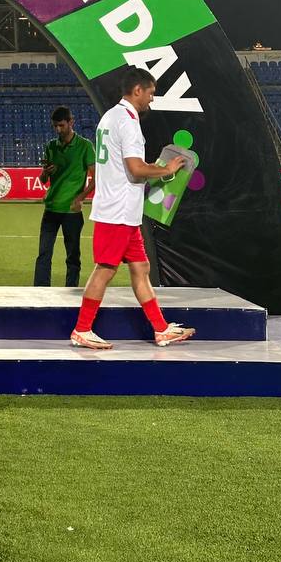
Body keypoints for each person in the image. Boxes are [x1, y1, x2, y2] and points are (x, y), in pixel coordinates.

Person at [71, 66, 195, 350]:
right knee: (105, 270)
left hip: (123, 210)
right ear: (137, 90)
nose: (152, 98)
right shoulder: (127, 122)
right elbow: (136, 169)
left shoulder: (110, 117)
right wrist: (166, 170)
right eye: (150, 93)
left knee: (141, 267)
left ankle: (161, 329)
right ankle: (82, 329)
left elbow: (124, 166)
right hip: (117, 210)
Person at [33, 106, 95, 288]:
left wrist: (80, 198)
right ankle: (40, 291)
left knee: (73, 256)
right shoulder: (51, 146)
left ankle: (71, 291)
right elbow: (43, 179)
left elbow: (97, 177)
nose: (58, 129)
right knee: (44, 254)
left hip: (71, 211)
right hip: (51, 208)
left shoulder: (85, 146)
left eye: (61, 125)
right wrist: (46, 172)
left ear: (71, 122)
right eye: (55, 126)